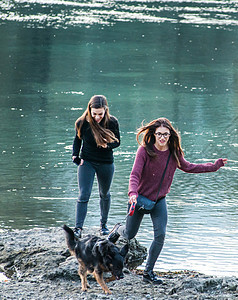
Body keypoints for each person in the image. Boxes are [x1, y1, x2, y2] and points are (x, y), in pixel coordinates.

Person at [108, 117, 227, 284]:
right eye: (159, 134)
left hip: (159, 201)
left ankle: (148, 272)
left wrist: (214, 166)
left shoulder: (174, 153)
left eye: (166, 134)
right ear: (154, 134)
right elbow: (135, 174)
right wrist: (132, 193)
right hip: (139, 199)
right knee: (129, 233)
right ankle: (117, 229)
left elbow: (189, 167)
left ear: (170, 135)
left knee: (160, 235)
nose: (162, 137)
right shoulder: (144, 150)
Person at [72, 95, 120, 238]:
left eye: (100, 114)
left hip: (106, 163)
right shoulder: (82, 123)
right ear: (90, 110)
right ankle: (78, 228)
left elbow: (117, 142)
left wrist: (107, 145)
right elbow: (77, 140)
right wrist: (75, 156)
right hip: (87, 162)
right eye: (94, 114)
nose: (97, 117)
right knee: (83, 194)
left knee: (104, 194)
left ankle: (103, 225)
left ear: (105, 110)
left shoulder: (112, 122)